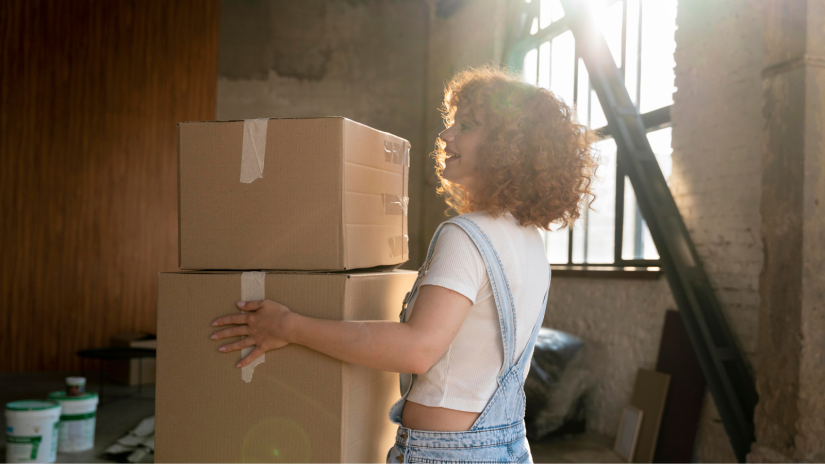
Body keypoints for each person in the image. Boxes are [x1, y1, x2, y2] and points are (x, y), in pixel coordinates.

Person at [209, 66, 597, 463]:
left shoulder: (465, 235)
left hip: (447, 454)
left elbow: (418, 349)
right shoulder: (529, 242)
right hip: (507, 446)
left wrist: (288, 326)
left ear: (505, 146)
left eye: (466, 125)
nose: (446, 135)